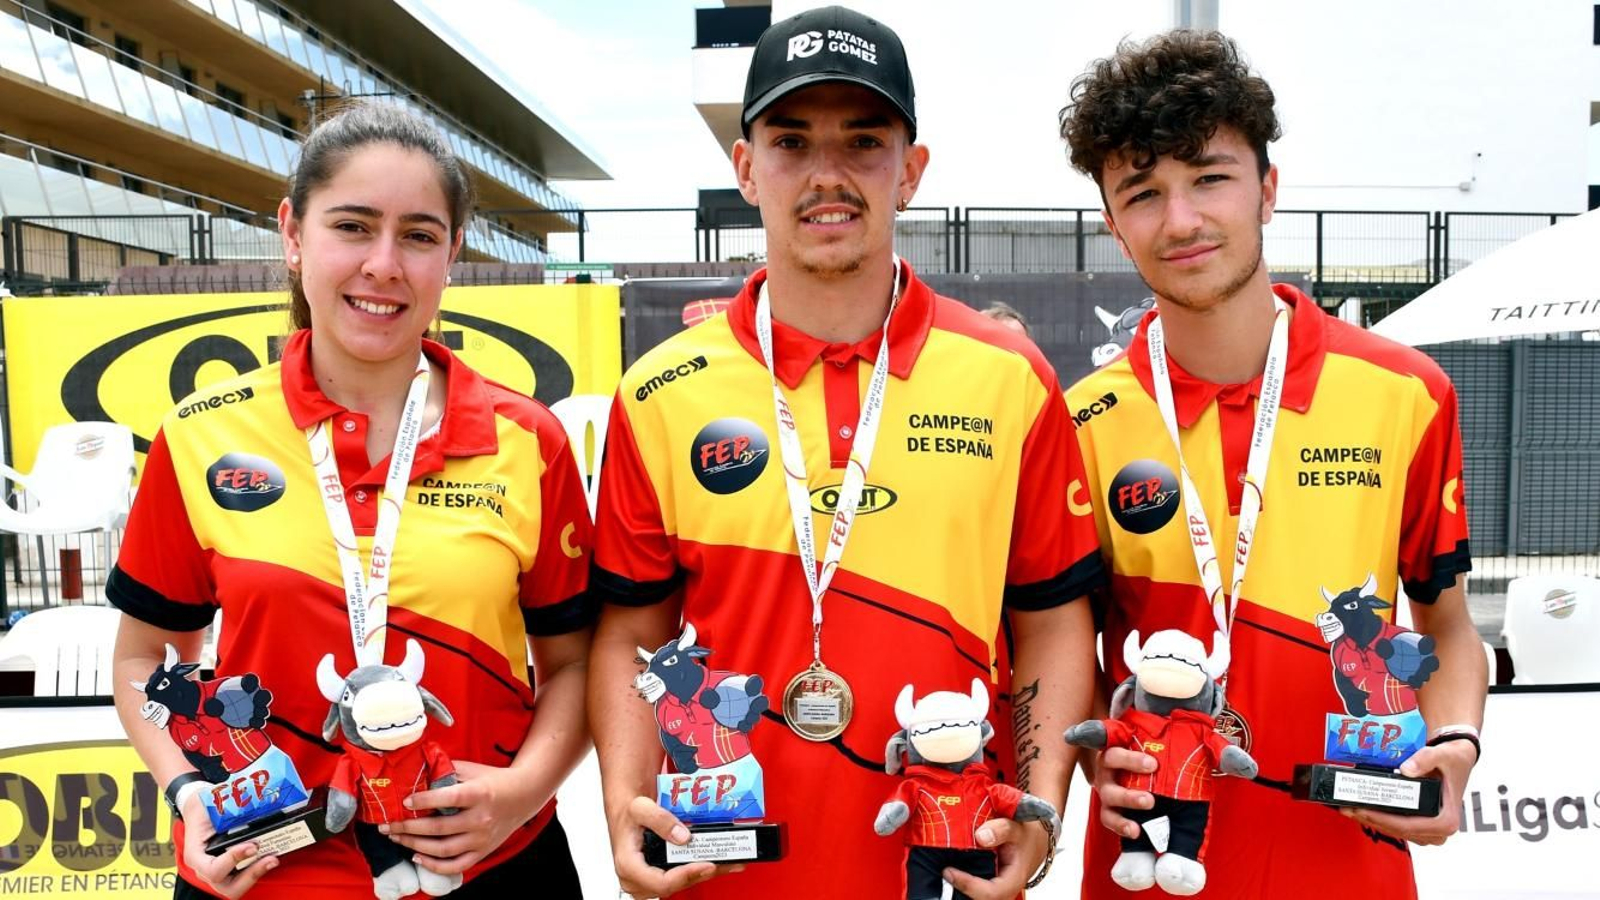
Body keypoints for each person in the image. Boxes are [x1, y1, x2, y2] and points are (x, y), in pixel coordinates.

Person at [588, 6, 1104, 899]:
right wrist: (624, 801)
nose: (828, 175)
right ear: (746, 169)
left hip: (944, 861)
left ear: (911, 171)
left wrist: (1041, 803)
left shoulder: (1008, 376)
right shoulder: (661, 390)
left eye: (863, 142)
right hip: (724, 865)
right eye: (791, 142)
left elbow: (1053, 621)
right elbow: (632, 630)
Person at [108, 102, 595, 899]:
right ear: (294, 236)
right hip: (265, 875)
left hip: (489, 867)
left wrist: (519, 794)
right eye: (353, 226)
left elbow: (573, 664)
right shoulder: (200, 434)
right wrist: (189, 794)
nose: (384, 264)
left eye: (418, 235)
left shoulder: (527, 439)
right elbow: (142, 657)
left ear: (452, 254)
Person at [1057, 31, 1485, 898]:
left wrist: (1456, 745)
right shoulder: (1077, 423)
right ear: (1111, 221)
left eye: (1210, 177)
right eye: (1143, 193)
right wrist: (1085, 761)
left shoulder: (1406, 392)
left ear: (1268, 188)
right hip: (1149, 858)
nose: (1180, 221)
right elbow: (1063, 650)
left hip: (1348, 860)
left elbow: (1447, 625)